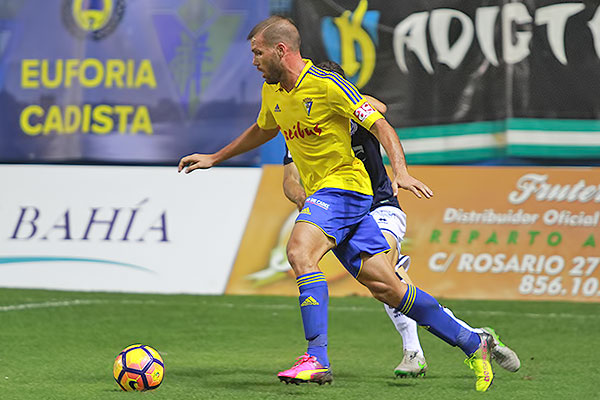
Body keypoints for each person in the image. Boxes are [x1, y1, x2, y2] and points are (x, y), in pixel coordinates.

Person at [178, 15, 511, 392]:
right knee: (387, 286)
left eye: (257, 53)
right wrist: (215, 157)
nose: (253, 61)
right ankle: (473, 341)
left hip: (347, 186)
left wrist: (400, 171)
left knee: (300, 251)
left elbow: (381, 124)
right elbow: (264, 128)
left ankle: (316, 358)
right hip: (328, 193)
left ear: (280, 50)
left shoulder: (327, 85)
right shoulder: (273, 90)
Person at [281, 61, 521, 378]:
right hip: (340, 211)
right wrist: (304, 198)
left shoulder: (354, 113)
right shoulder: (302, 129)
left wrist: (343, 98)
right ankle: (474, 337)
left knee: (389, 270)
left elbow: (379, 109)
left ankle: (413, 351)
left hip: (381, 205)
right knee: (385, 285)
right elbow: (289, 180)